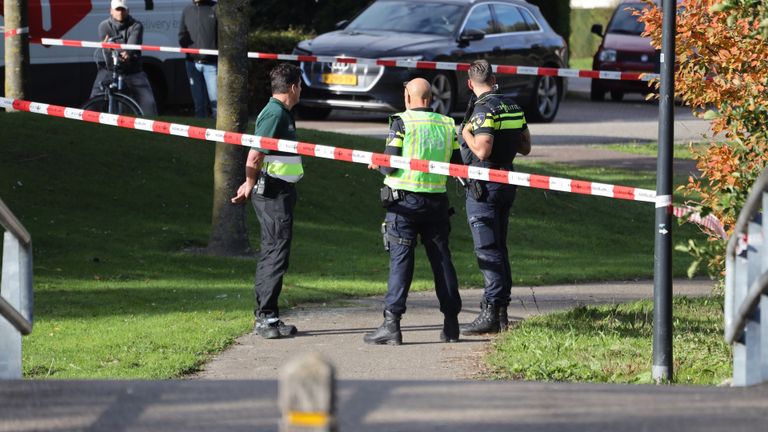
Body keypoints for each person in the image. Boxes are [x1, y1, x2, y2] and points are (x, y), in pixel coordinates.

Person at [363, 78, 463, 345]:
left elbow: (390, 165)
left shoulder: (401, 121)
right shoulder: (447, 124)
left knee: (401, 264)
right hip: (437, 205)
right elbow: (457, 163)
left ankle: (392, 325)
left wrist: (377, 162)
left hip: (403, 206)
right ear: (429, 99)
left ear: (409, 97)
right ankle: (451, 325)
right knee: (442, 261)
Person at [231, 63, 303, 340]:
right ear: (293, 87)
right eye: (300, 86)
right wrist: (249, 183)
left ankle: (267, 315)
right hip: (272, 193)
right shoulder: (274, 114)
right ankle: (266, 317)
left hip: (279, 191)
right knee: (275, 253)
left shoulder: (278, 112)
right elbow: (254, 155)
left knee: (275, 252)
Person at [459, 59, 531, 335]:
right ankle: (501, 312)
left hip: (485, 185)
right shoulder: (513, 106)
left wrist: (466, 131)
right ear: (494, 77)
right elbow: (525, 146)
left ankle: (490, 312)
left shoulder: (482, 110)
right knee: (499, 247)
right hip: (506, 182)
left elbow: (482, 150)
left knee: (487, 250)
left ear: (470, 83)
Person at [90, 0, 157, 116]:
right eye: (117, 9)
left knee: (149, 104)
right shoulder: (103, 26)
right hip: (109, 69)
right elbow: (109, 51)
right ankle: (87, 125)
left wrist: (127, 52)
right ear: (111, 11)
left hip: (133, 71)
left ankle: (153, 128)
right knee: (92, 102)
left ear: (128, 10)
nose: (120, 12)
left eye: (123, 9)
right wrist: (121, 52)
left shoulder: (136, 26)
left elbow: (131, 46)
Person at [178, 0, 218, 118]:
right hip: (191, 63)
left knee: (216, 105)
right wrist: (184, 43)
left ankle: (217, 134)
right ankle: (199, 133)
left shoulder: (216, 8)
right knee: (199, 104)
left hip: (211, 64)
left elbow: (222, 35)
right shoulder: (187, 10)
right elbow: (181, 33)